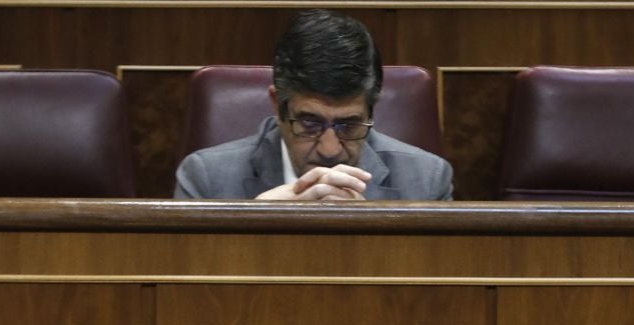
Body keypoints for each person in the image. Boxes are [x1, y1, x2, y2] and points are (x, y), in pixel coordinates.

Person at [174, 9, 453, 201]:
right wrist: (255, 222)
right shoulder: (205, 179)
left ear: (372, 108)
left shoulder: (426, 181)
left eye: (348, 124)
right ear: (277, 105)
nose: (329, 150)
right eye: (309, 123)